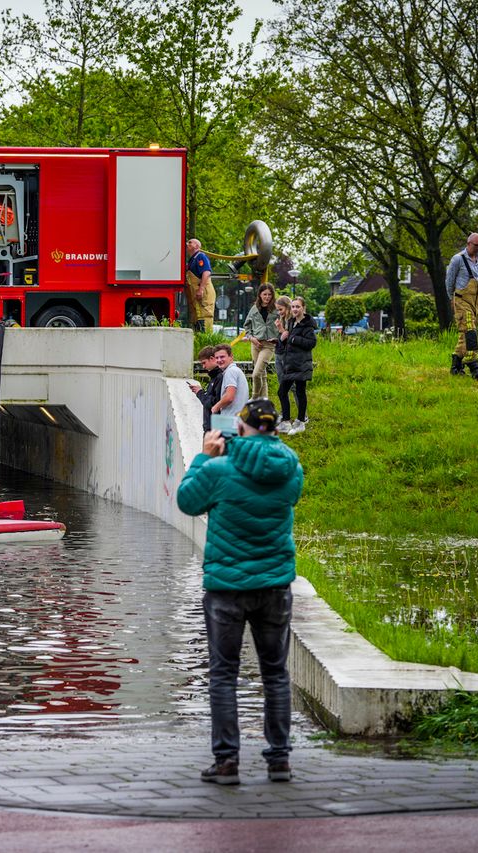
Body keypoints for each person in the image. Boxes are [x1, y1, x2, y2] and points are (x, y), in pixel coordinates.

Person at [176, 398, 304, 786]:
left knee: (224, 674)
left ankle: (227, 761)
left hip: (227, 588)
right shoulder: (291, 468)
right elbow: (289, 496)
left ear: (242, 428)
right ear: (276, 430)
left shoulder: (218, 469)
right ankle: (279, 760)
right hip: (275, 584)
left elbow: (187, 501)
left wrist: (203, 457)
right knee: (275, 674)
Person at [445, 232, 478, 380]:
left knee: (464, 334)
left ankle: (456, 366)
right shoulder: (457, 259)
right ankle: (474, 367)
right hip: (461, 300)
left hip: (475, 302)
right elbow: (449, 281)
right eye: (476, 245)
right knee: (470, 330)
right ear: (468, 243)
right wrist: (451, 299)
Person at [275, 297, 316, 434]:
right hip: (290, 363)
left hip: (301, 363)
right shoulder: (291, 322)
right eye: (293, 307)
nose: (295, 309)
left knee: (300, 391)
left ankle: (300, 422)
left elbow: (311, 343)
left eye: (298, 307)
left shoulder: (307, 325)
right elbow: (287, 343)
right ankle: (286, 422)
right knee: (282, 392)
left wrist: (293, 338)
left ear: (303, 308)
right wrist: (282, 336)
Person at [243, 283, 280, 399]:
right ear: (260, 295)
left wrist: (278, 337)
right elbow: (247, 326)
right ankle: (264, 401)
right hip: (255, 344)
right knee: (262, 375)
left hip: (269, 345)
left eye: (269, 294)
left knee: (256, 374)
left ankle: (254, 397)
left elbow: (284, 324)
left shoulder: (276, 309)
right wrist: (251, 338)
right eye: (265, 294)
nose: (267, 297)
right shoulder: (254, 309)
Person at [188, 345, 224, 432]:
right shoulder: (215, 377)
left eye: (204, 363)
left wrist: (200, 393)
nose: (203, 367)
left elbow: (214, 402)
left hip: (214, 429)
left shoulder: (219, 377)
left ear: (212, 358)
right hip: (210, 427)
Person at [186, 238, 216, 333]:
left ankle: (206, 343)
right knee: (197, 318)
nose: (187, 244)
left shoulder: (200, 256)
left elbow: (206, 272)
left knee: (205, 316)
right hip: (197, 297)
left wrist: (201, 290)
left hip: (204, 295)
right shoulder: (192, 260)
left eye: (190, 242)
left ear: (197, 246)